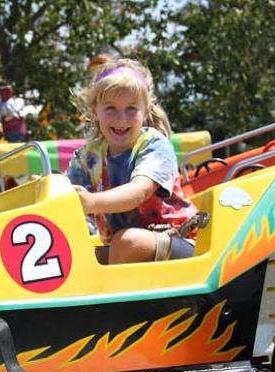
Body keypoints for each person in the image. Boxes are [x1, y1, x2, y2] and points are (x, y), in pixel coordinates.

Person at [67, 58, 197, 264]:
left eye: (131, 109)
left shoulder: (154, 144)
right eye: (110, 108)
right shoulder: (88, 157)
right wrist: (48, 188)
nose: (121, 118)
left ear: (145, 112)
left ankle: (116, 295)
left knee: (128, 242)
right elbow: (67, 196)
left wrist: (91, 202)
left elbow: (139, 191)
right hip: (120, 248)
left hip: (176, 240)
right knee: (72, 260)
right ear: (95, 112)